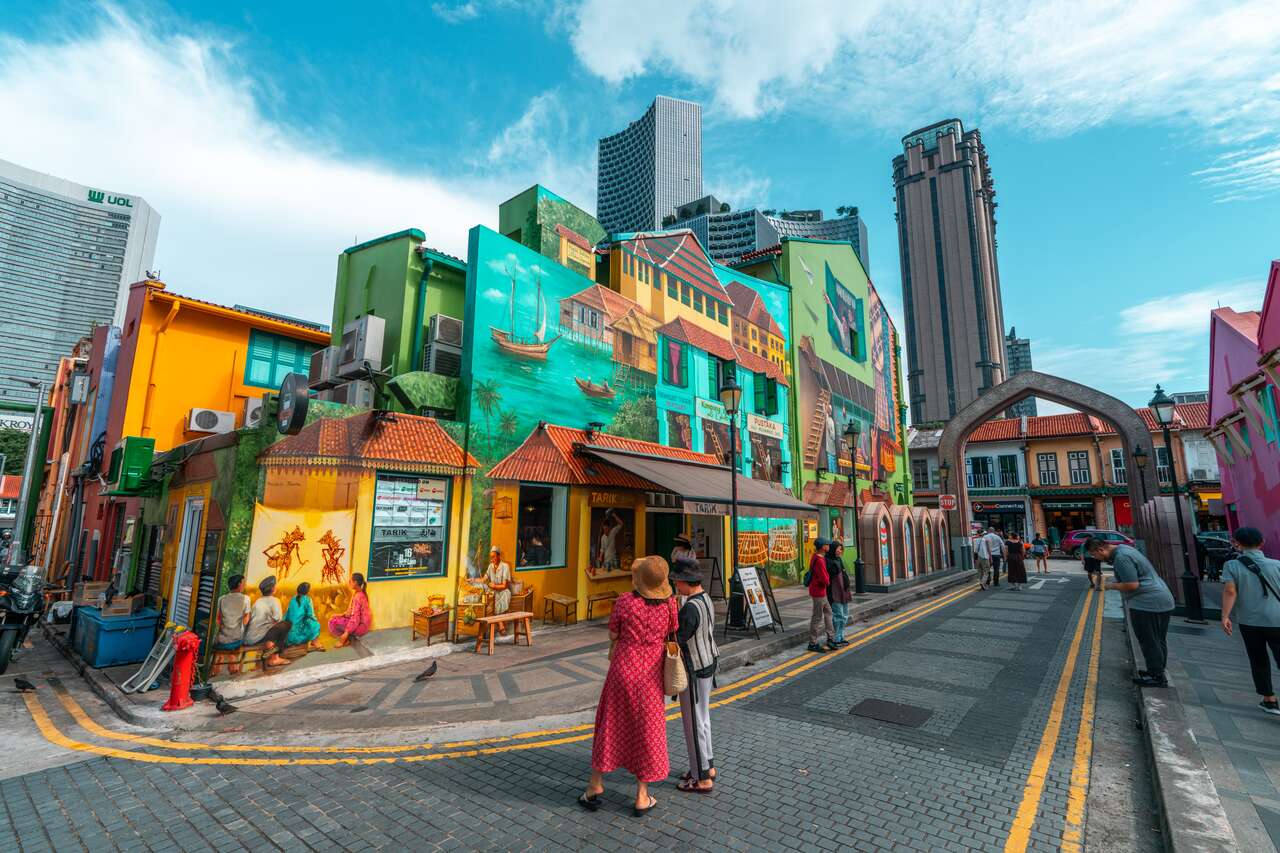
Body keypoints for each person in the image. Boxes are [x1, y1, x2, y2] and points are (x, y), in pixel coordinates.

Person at [580, 556, 678, 817]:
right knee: (648, 730)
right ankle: (642, 795)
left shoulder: (625, 601)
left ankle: (595, 784)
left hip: (623, 669)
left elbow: (613, 633)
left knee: (610, 724)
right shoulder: (670, 604)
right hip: (651, 676)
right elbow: (673, 631)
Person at [1088, 537, 1176, 687]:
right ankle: (1157, 670)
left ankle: (1157, 676)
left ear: (1101, 550)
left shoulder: (1121, 558)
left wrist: (1111, 586)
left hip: (1148, 603)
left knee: (1148, 640)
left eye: (1095, 555)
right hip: (1160, 599)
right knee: (1157, 639)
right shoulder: (1125, 550)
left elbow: (1132, 584)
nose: (1097, 559)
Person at [1219, 527, 1280, 716]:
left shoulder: (1232, 565)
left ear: (1237, 543)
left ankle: (1269, 699)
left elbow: (1230, 591)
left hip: (1250, 621)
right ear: (1261, 542)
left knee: (1258, 659)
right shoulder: (1277, 564)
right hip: (1277, 619)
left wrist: (1225, 616)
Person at [670, 558, 719, 792]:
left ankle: (702, 779)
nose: (676, 586)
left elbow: (679, 639)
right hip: (709, 663)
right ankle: (706, 766)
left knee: (693, 722)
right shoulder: (705, 598)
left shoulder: (689, 607)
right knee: (703, 717)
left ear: (685, 581)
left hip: (694, 668)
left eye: (677, 581)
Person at [244, 576, 292, 667]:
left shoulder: (258, 601)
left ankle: (272, 649)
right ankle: (274, 658)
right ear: (273, 588)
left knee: (273, 628)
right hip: (260, 637)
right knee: (286, 624)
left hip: (250, 637)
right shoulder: (275, 601)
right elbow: (278, 619)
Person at [807, 539, 836, 653]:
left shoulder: (817, 556)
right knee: (817, 617)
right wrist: (828, 582)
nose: (829, 545)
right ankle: (812, 643)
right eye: (827, 544)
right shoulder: (819, 559)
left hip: (819, 591)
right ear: (823, 547)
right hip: (818, 592)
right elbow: (824, 578)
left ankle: (830, 638)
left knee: (828, 612)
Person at [329, 573, 372, 647]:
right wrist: (340, 614)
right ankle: (349, 636)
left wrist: (345, 635)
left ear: (355, 583)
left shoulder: (358, 597)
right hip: (360, 624)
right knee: (333, 617)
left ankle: (346, 639)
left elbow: (355, 619)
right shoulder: (357, 593)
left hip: (361, 627)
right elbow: (350, 613)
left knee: (332, 622)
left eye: (350, 581)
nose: (348, 583)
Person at [827, 542, 854, 645]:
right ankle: (836, 638)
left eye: (841, 549)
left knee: (845, 615)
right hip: (835, 592)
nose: (840, 551)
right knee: (838, 615)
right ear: (833, 549)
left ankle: (841, 636)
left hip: (843, 591)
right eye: (838, 549)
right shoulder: (829, 561)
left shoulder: (839, 559)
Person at [284, 582, 323, 651]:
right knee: (316, 624)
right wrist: (315, 620)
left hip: (289, 635)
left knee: (304, 622)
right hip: (298, 636)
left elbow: (287, 613)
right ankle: (315, 642)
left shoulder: (293, 599)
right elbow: (311, 615)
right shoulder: (307, 599)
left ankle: (313, 642)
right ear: (307, 591)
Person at [485, 546, 513, 616]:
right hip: (494, 592)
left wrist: (494, 586)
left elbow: (504, 586)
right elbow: (484, 579)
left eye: (493, 557)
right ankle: (500, 625)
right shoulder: (490, 566)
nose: (492, 559)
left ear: (499, 556)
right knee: (488, 602)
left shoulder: (505, 566)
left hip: (504, 592)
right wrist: (473, 580)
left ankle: (500, 625)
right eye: (491, 557)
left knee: (498, 604)